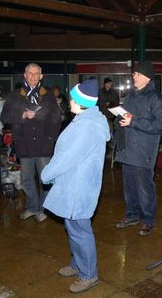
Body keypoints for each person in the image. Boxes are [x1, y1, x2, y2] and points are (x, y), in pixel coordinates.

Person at [41, 79, 109, 294]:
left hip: (78, 186)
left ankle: (89, 275)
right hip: (74, 183)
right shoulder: (85, 119)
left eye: (72, 98)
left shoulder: (87, 126)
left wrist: (47, 173)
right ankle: (78, 264)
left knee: (80, 231)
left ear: (80, 103)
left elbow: (67, 157)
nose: (69, 101)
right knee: (73, 228)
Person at [1, 63, 61, 222]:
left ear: (41, 76)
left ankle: (43, 209)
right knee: (27, 179)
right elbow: (5, 117)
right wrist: (22, 115)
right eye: (30, 73)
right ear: (25, 75)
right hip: (24, 143)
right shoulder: (15, 95)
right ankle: (32, 207)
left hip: (44, 144)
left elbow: (56, 118)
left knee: (45, 179)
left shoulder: (47, 94)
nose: (33, 76)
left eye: (36, 74)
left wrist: (51, 138)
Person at [114, 62, 162, 236]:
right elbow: (126, 117)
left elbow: (160, 125)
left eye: (137, 74)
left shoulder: (156, 99)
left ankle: (148, 220)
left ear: (147, 78)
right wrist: (118, 118)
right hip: (128, 149)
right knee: (129, 188)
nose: (133, 76)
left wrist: (133, 122)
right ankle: (132, 215)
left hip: (144, 152)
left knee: (144, 188)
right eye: (134, 74)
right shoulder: (130, 97)